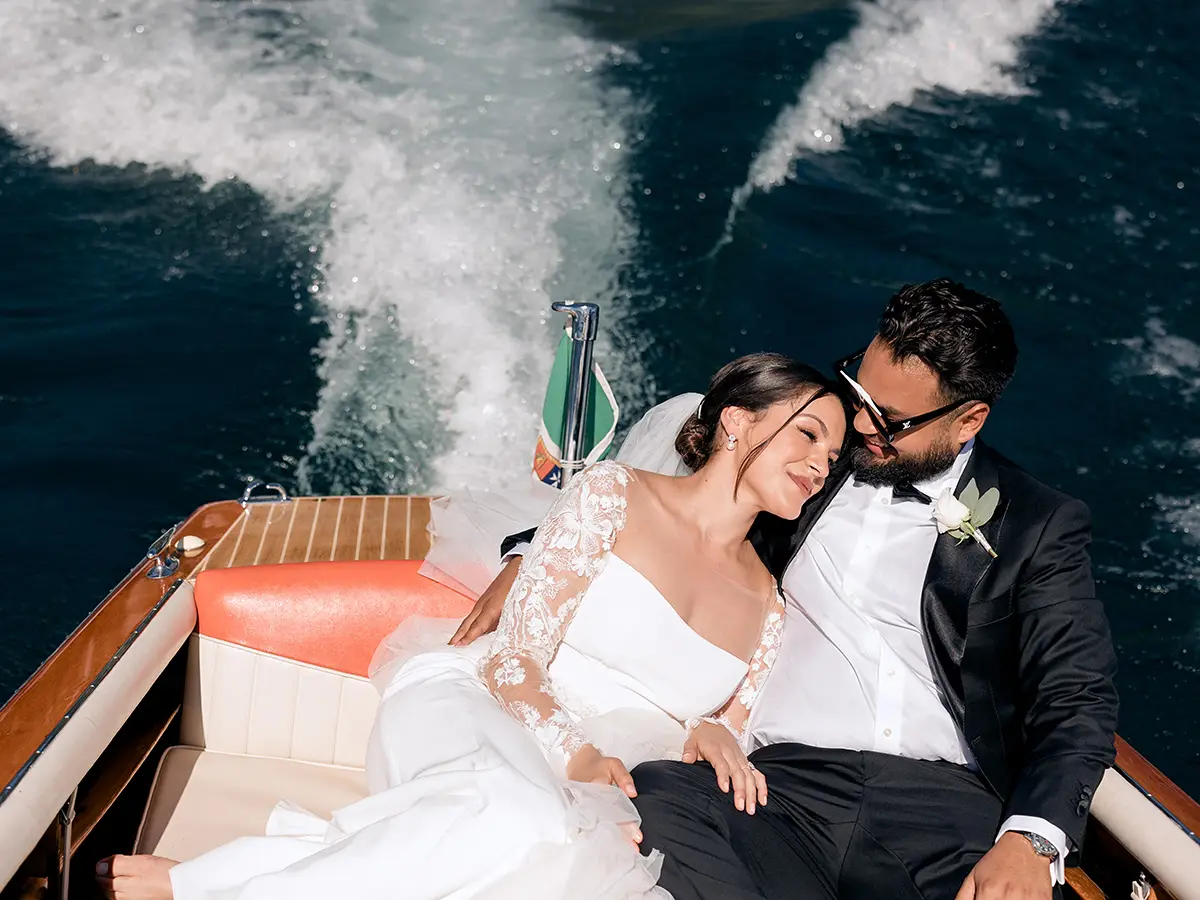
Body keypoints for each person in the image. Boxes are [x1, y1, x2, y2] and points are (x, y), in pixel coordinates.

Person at [453, 279, 1120, 900]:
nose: (859, 428)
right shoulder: (809, 459)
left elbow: (1077, 698)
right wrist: (528, 552)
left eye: (889, 421)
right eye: (859, 392)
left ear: (968, 421)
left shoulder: (1035, 523)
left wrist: (1031, 840)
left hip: (942, 813)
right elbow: (680, 498)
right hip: (779, 787)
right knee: (656, 790)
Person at [96, 354, 848, 900]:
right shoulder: (616, 495)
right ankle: (209, 890)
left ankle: (291, 860)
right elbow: (514, 657)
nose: (821, 463)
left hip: (616, 787)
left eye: (835, 453)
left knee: (559, 862)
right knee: (519, 819)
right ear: (736, 421)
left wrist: (719, 729)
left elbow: (727, 743)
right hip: (483, 705)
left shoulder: (770, 607)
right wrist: (574, 756)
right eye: (809, 435)